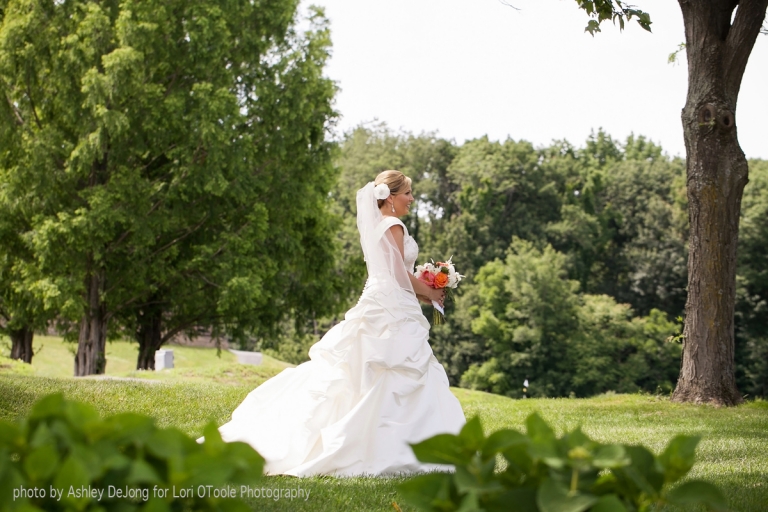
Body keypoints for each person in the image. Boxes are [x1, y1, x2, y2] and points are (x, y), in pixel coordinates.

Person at [213, 170, 466, 476]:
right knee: (392, 366)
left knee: (361, 369)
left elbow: (392, 272)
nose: (412, 199)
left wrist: (423, 293)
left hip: (382, 299)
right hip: (392, 305)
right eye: (407, 194)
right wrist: (431, 291)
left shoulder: (378, 227)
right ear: (391, 198)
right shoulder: (395, 224)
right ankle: (389, 444)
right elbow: (399, 274)